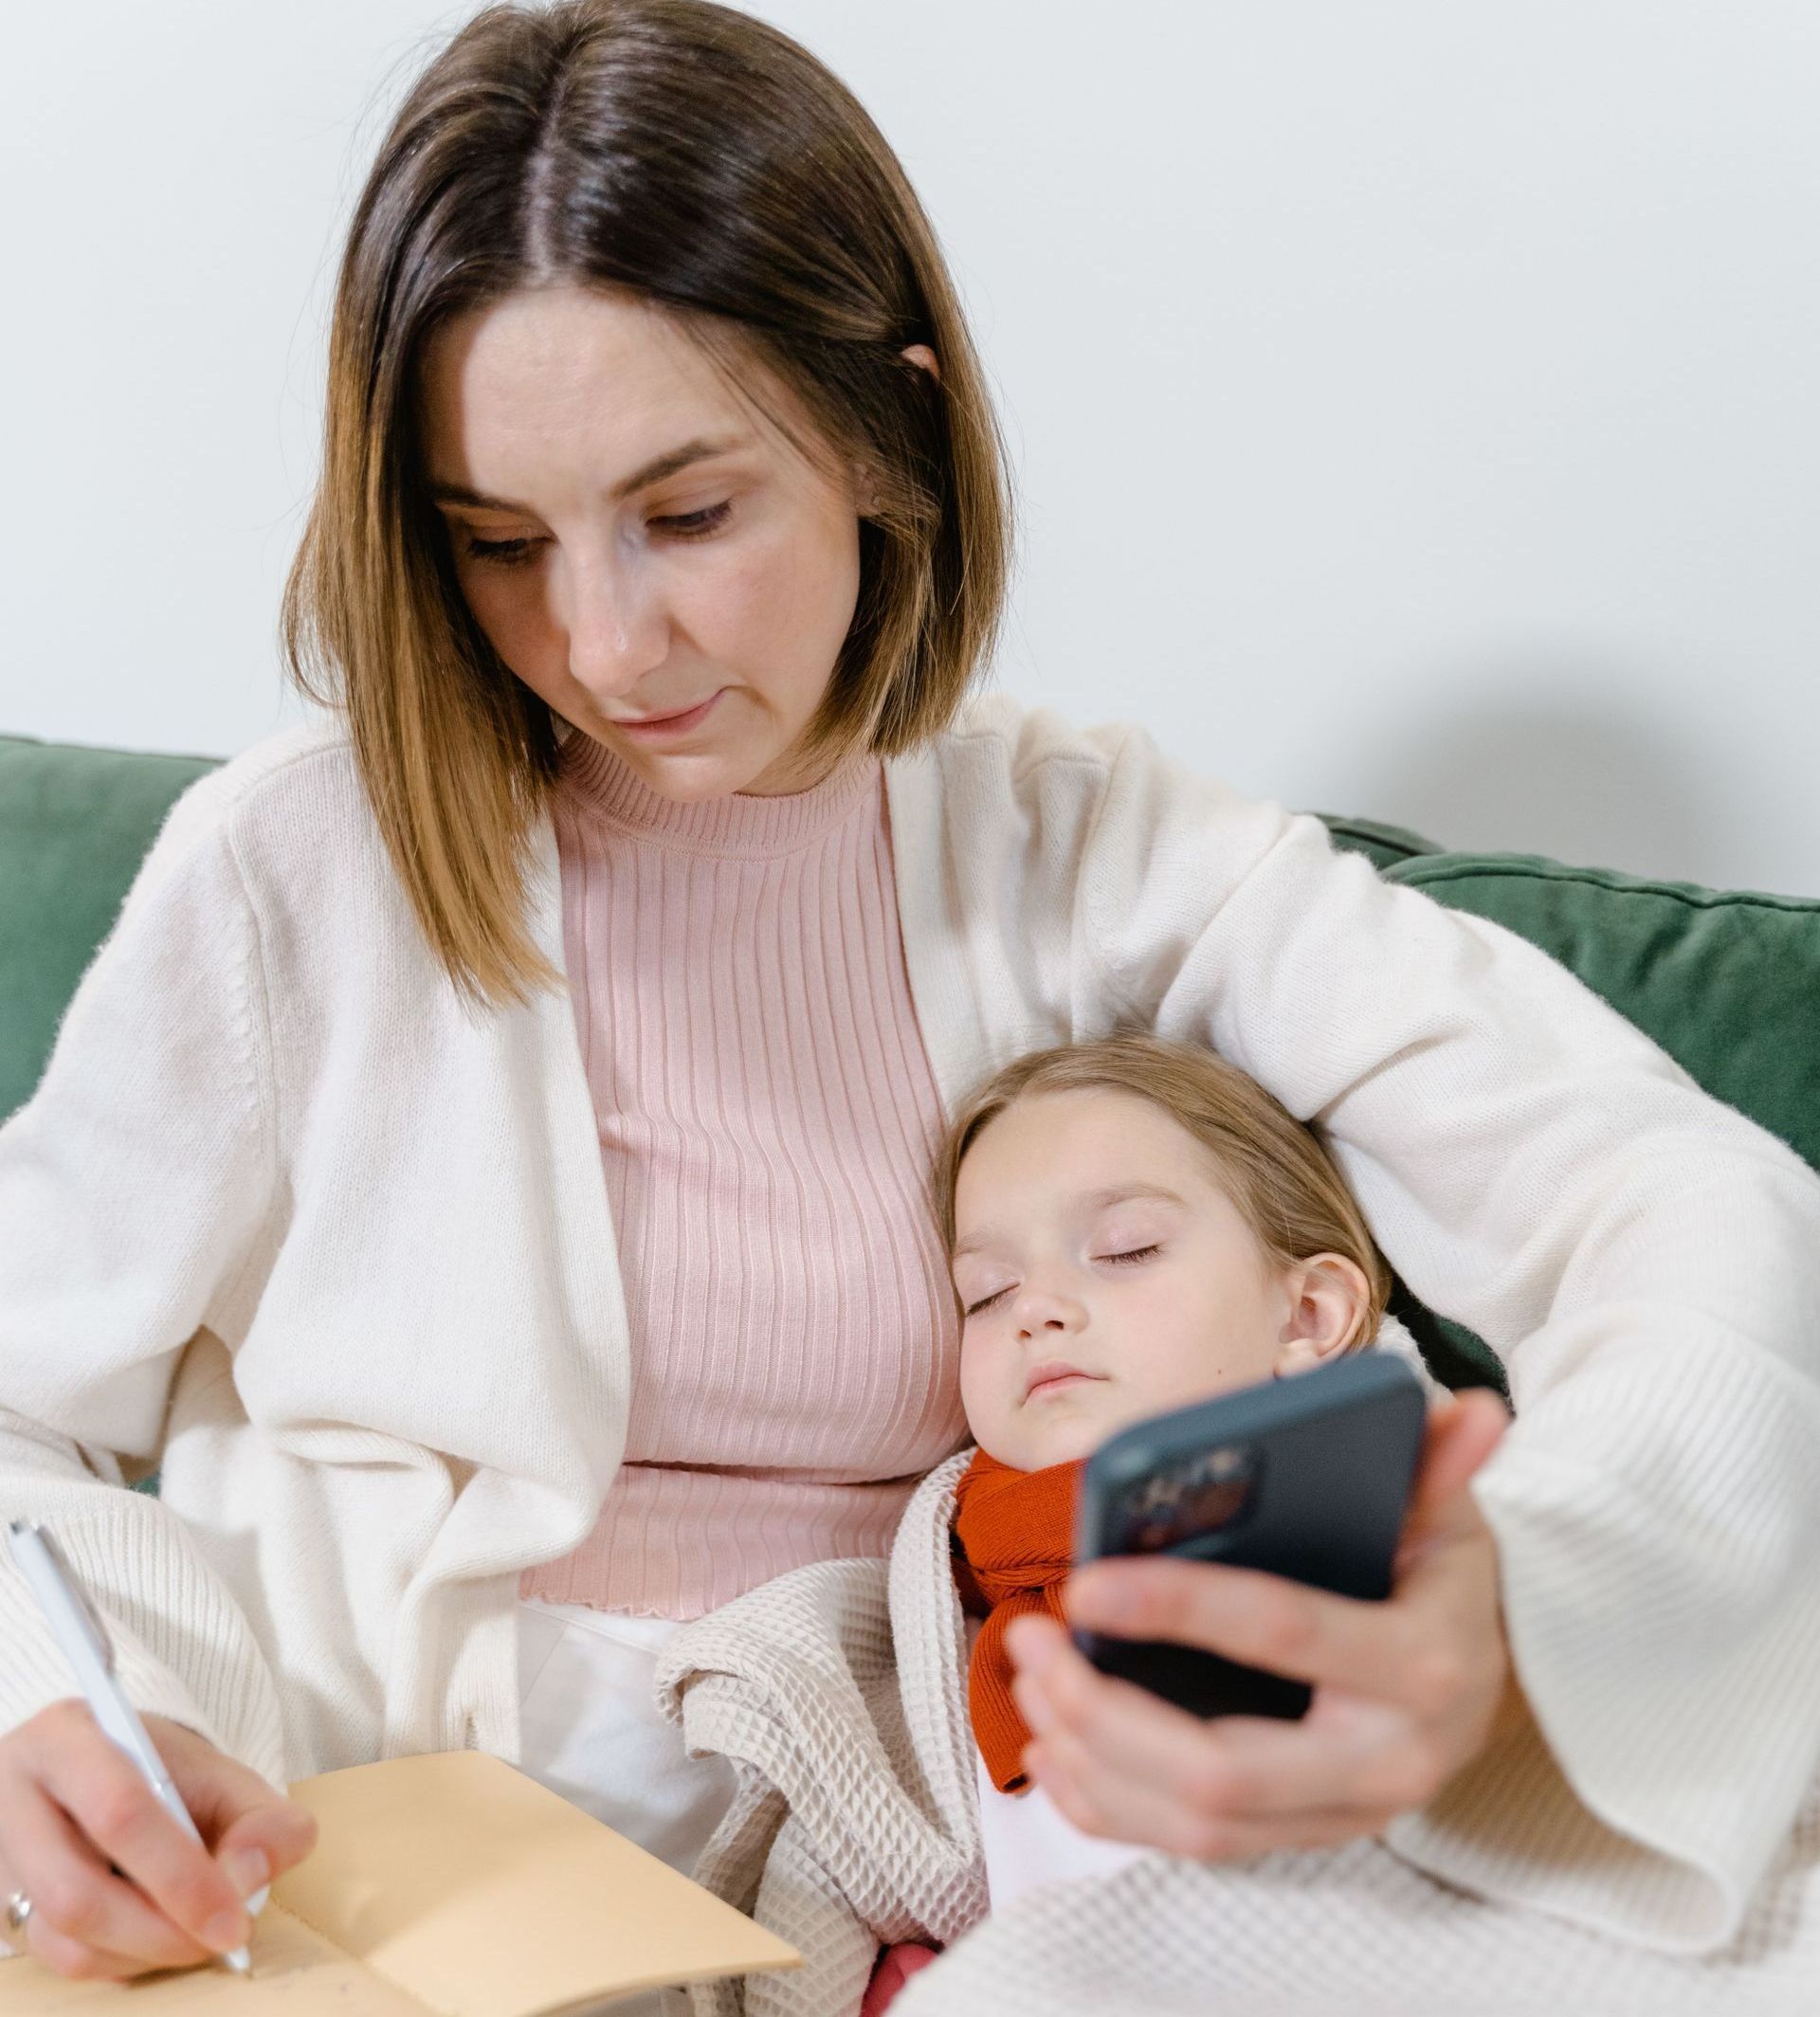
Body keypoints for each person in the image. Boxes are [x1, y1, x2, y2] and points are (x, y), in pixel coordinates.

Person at [0, 0, 1816, 2000]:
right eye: (498, 543)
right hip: (368, 1845)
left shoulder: (1089, 849)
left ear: (887, 435)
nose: (602, 642)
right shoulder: (297, 870)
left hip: (922, 1856)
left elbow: (1674, 1189)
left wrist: (1534, 1607)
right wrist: (45, 1715)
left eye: (689, 514)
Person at [651, 1037, 1818, 2017]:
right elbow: (851, 1868)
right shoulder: (946, 1627)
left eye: (1127, 1250)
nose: (1040, 1308)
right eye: (986, 1292)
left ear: (1311, 1311)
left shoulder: (1422, 1532)